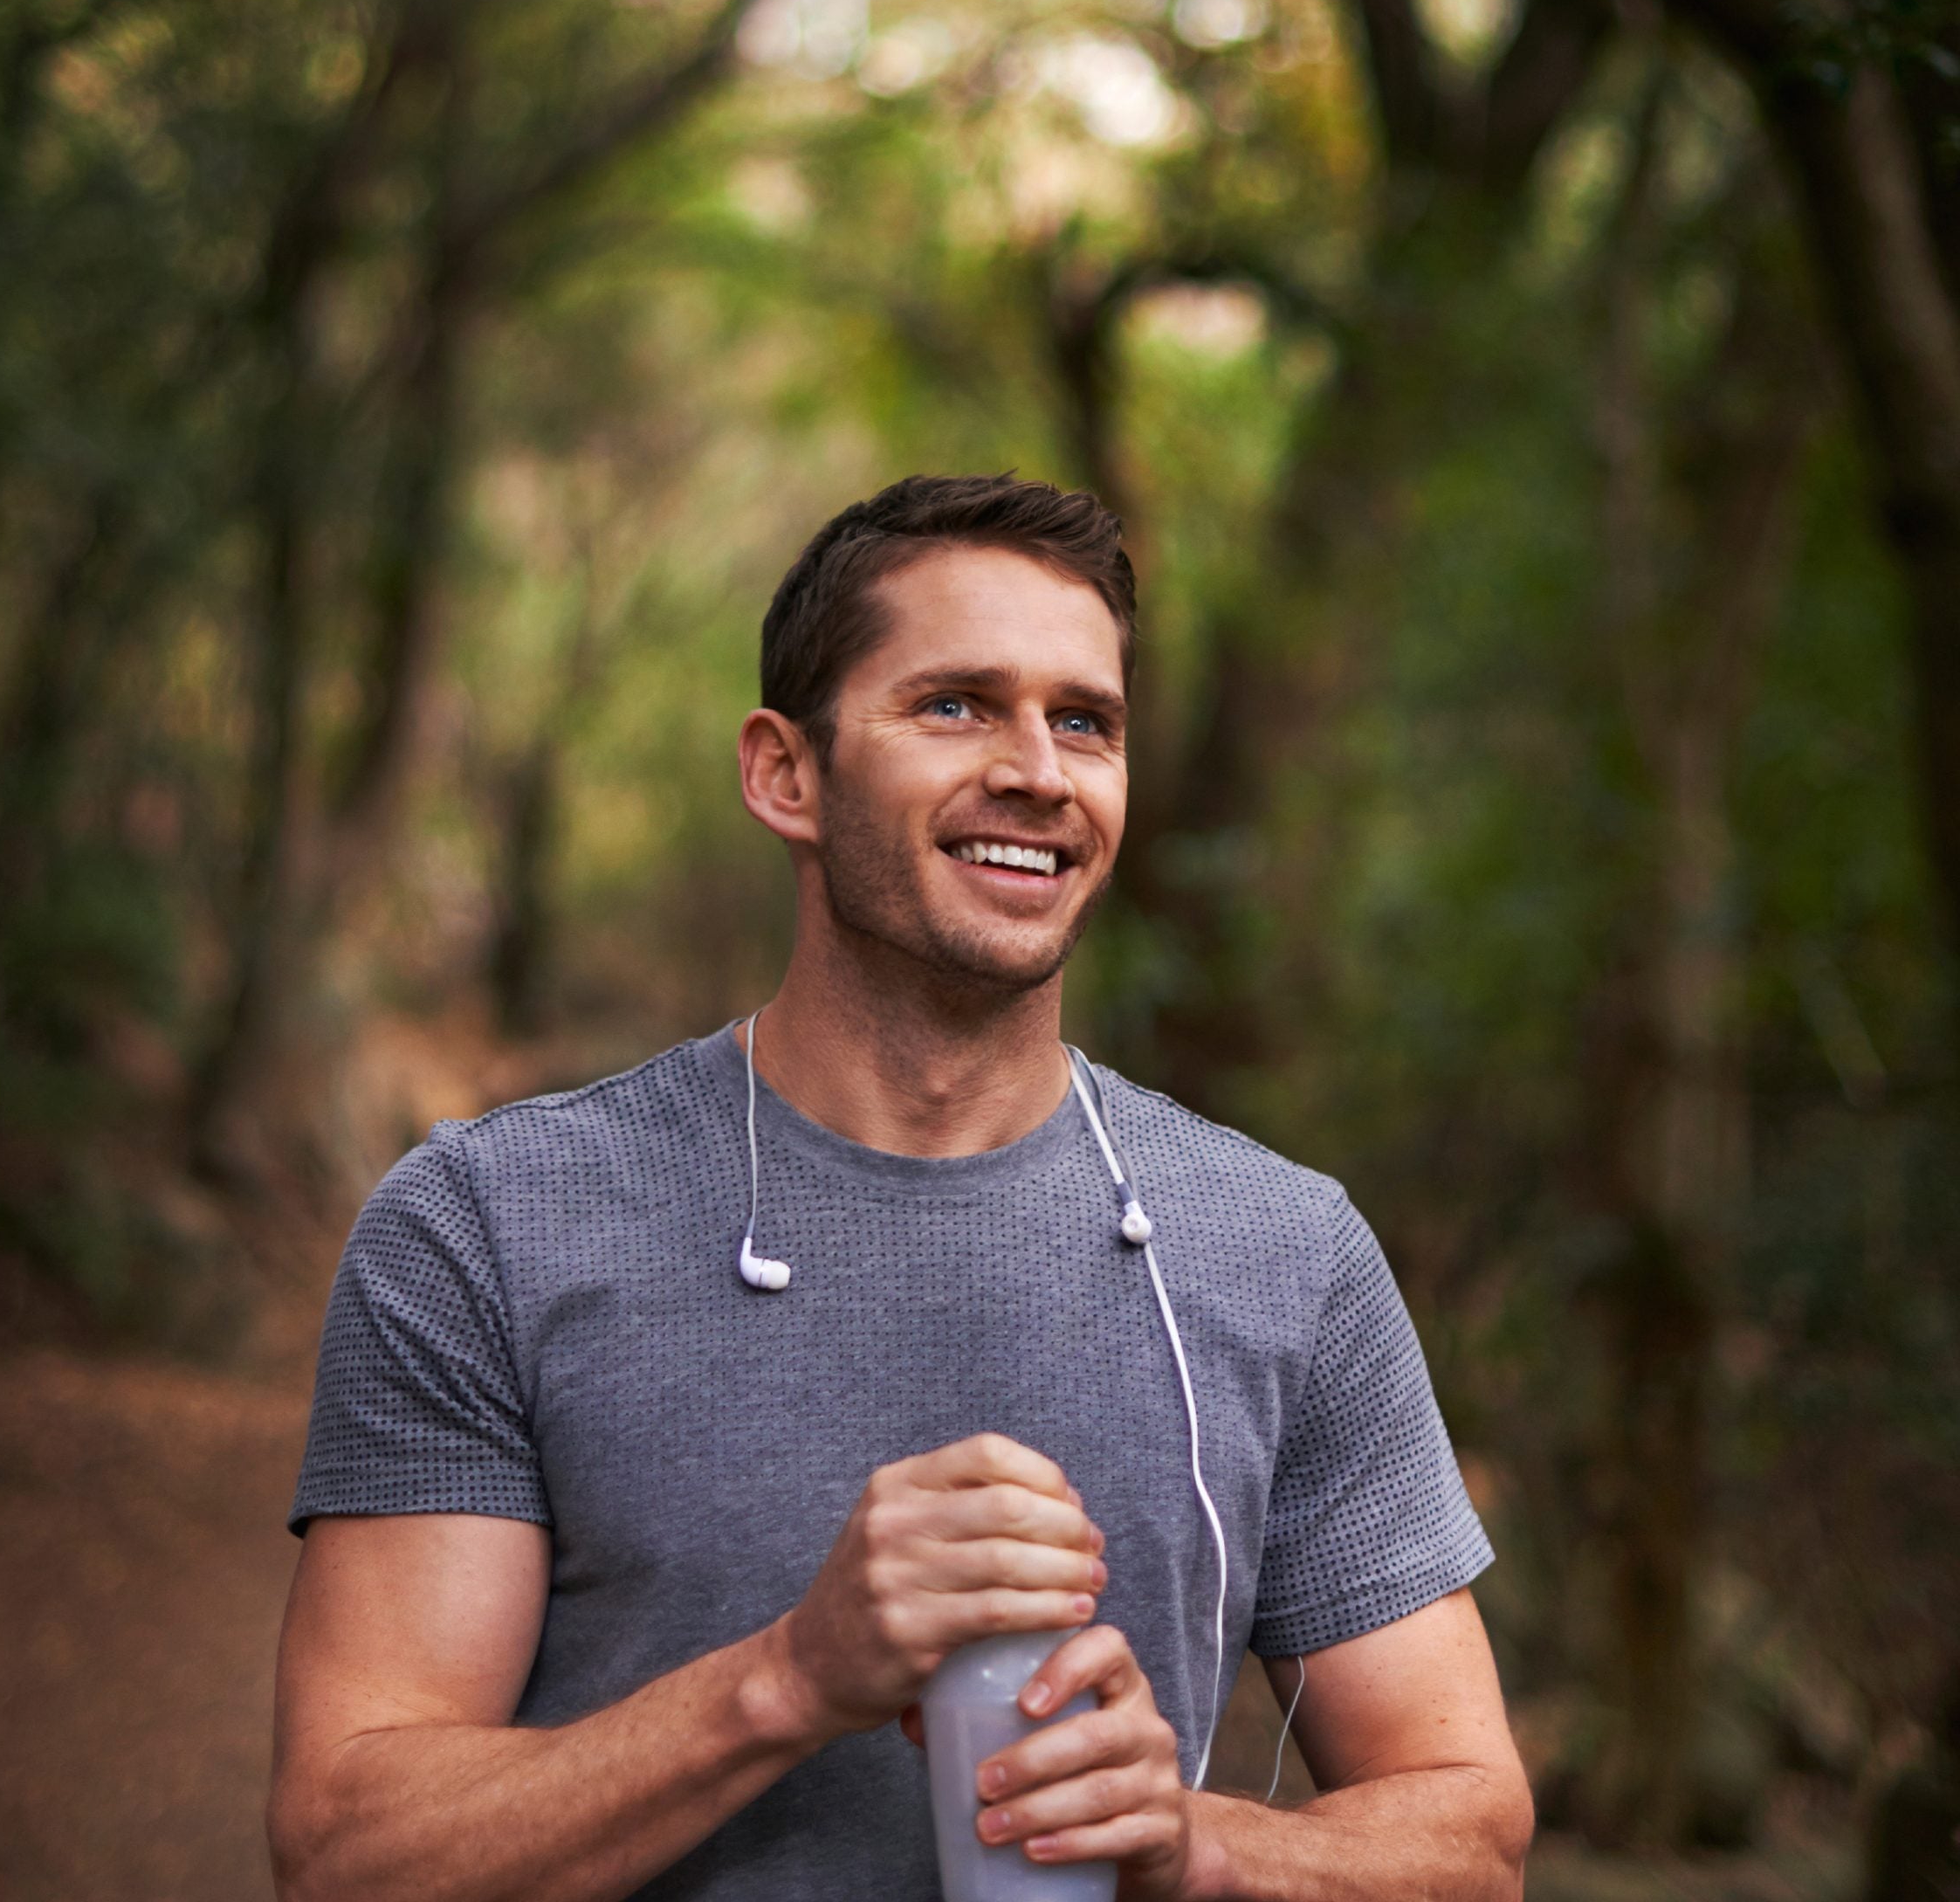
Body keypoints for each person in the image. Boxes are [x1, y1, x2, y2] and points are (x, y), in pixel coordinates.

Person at [268, 473, 1534, 1902]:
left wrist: (1197, 1845)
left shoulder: (1284, 1251)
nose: (1038, 772)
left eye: (1086, 722)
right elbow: (346, 1850)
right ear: (783, 775)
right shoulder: (491, 1224)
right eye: (954, 706)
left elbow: (1472, 1838)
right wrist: (791, 1680)